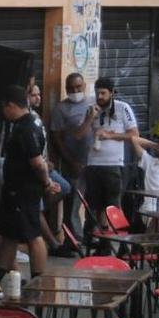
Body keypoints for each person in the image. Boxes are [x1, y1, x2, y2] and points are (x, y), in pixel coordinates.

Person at [0, 86, 62, 287]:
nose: (3, 112)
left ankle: (38, 280)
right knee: (10, 235)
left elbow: (37, 162)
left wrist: (46, 182)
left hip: (24, 190)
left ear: (11, 106)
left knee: (33, 235)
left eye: (4, 108)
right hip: (14, 190)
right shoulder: (26, 122)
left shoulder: (27, 127)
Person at [73, 77, 138, 244]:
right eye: (97, 93)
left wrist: (110, 135)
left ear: (112, 93)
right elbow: (78, 135)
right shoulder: (91, 109)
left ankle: (121, 240)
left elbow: (133, 135)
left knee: (113, 205)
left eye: (103, 93)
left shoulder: (123, 109)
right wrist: (90, 118)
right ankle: (102, 241)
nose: (100, 96)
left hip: (114, 164)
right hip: (94, 164)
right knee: (95, 206)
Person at [28, 84, 77, 258]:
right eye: (34, 95)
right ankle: (54, 243)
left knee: (64, 187)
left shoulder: (35, 117)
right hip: (34, 169)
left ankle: (37, 219)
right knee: (35, 206)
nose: (38, 98)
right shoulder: (22, 120)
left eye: (39, 94)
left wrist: (47, 161)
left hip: (45, 165)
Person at [48, 72, 94, 240]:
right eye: (71, 88)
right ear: (66, 89)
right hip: (73, 164)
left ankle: (91, 236)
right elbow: (57, 139)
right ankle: (74, 240)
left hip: (95, 163)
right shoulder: (61, 109)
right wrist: (70, 161)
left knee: (93, 203)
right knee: (72, 204)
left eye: (78, 87)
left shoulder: (93, 104)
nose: (75, 91)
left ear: (84, 86)